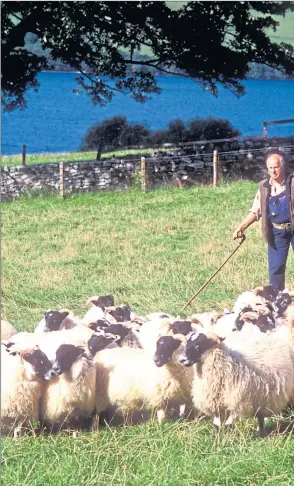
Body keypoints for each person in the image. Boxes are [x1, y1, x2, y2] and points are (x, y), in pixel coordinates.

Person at [233, 153, 294, 291]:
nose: (273, 171)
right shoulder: (264, 187)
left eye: (276, 167)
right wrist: (241, 227)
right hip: (277, 233)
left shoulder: (292, 182)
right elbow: (256, 211)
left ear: (282, 166)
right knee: (275, 269)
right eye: (270, 168)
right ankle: (277, 302)